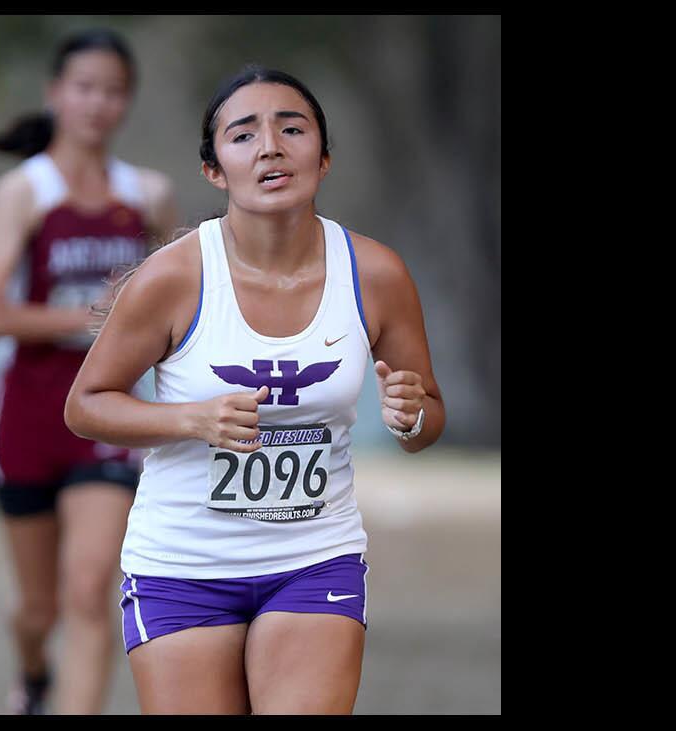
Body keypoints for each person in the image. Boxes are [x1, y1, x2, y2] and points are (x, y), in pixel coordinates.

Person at [63, 65, 446, 714]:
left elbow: (429, 414)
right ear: (215, 171)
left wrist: (411, 416)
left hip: (314, 556)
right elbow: (86, 406)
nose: (270, 145)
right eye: (244, 135)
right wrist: (192, 418)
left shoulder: (376, 273)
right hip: (183, 563)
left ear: (323, 158)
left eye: (291, 128)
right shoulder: (173, 278)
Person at [0, 28, 177, 715]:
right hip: (28, 413)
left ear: (127, 102)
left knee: (92, 586)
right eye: (85, 87)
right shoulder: (23, 192)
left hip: (109, 410)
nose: (98, 103)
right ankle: (32, 673)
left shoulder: (147, 195)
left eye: (113, 91)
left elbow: (179, 299)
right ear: (57, 93)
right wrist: (87, 316)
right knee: (39, 606)